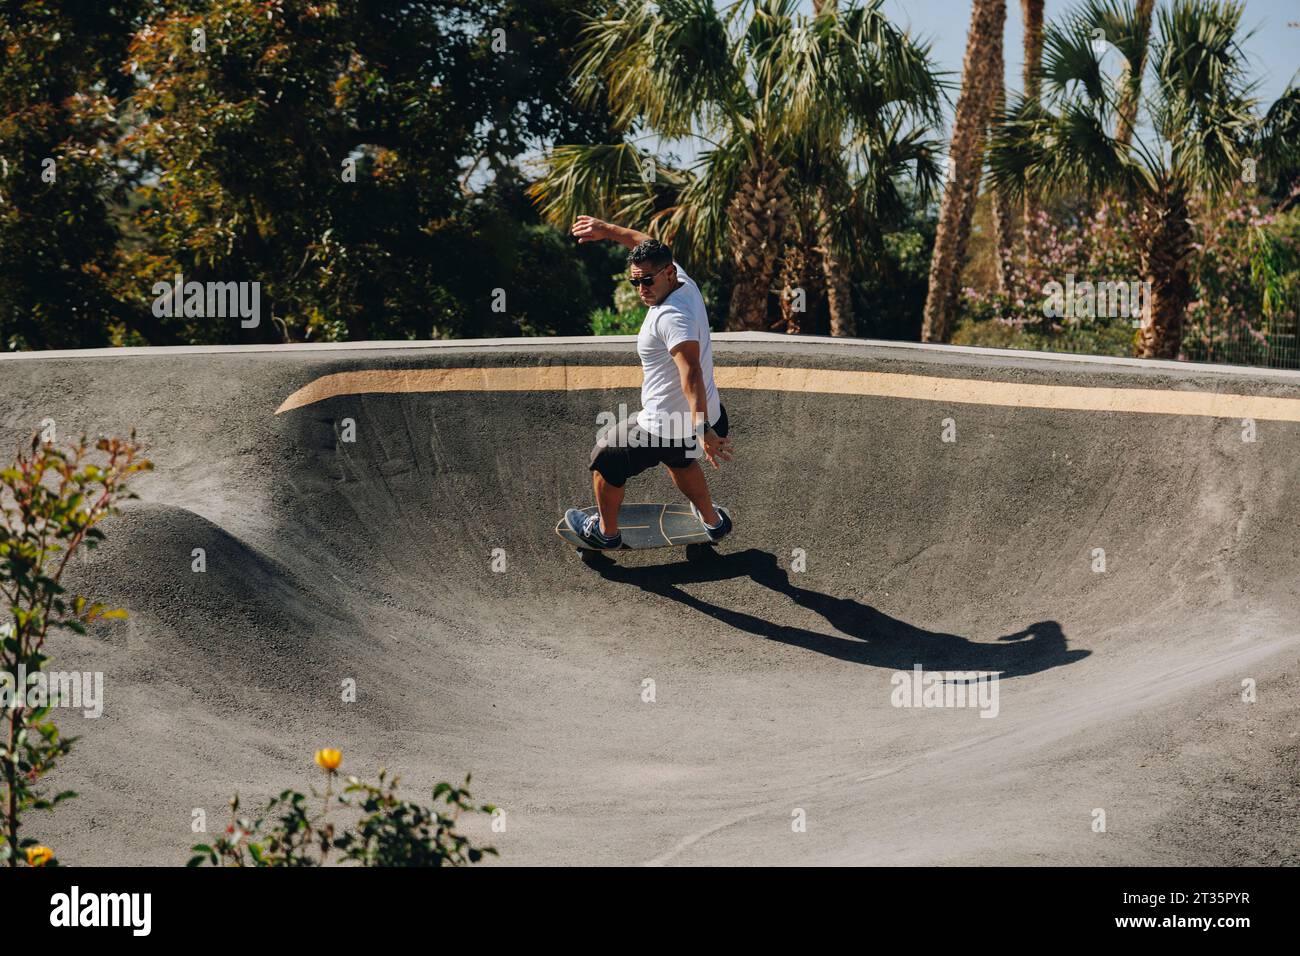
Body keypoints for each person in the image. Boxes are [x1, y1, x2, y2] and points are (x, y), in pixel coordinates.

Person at [564, 215, 734, 550]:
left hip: (666, 425)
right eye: (634, 283)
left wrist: (702, 431)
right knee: (680, 460)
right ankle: (713, 522)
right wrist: (607, 230)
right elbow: (641, 239)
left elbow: (690, 374)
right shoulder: (682, 280)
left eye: (646, 282)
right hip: (705, 413)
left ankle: (605, 533)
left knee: (605, 459)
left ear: (668, 273)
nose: (641, 289)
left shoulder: (673, 317)